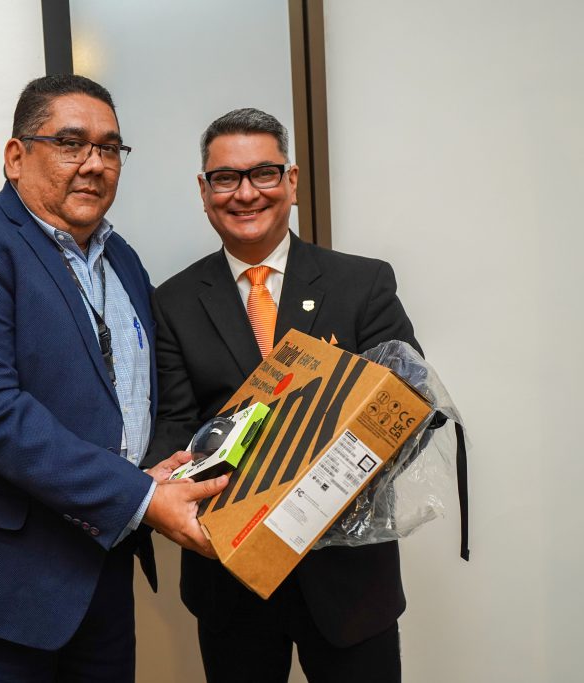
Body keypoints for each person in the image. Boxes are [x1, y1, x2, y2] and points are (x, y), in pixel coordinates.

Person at [0, 74, 227, 683]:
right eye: (71, 143)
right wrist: (143, 498)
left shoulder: (121, 258)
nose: (95, 164)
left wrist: (160, 471)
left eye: (110, 148)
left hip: (102, 572)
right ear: (16, 156)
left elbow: (129, 399)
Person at [144, 108, 421, 683]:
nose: (246, 193)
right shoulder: (171, 303)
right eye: (226, 178)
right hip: (229, 576)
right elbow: (173, 424)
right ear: (204, 191)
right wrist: (165, 481)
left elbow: (407, 409)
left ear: (291, 181)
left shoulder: (362, 283)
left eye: (264, 173)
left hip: (348, 580)